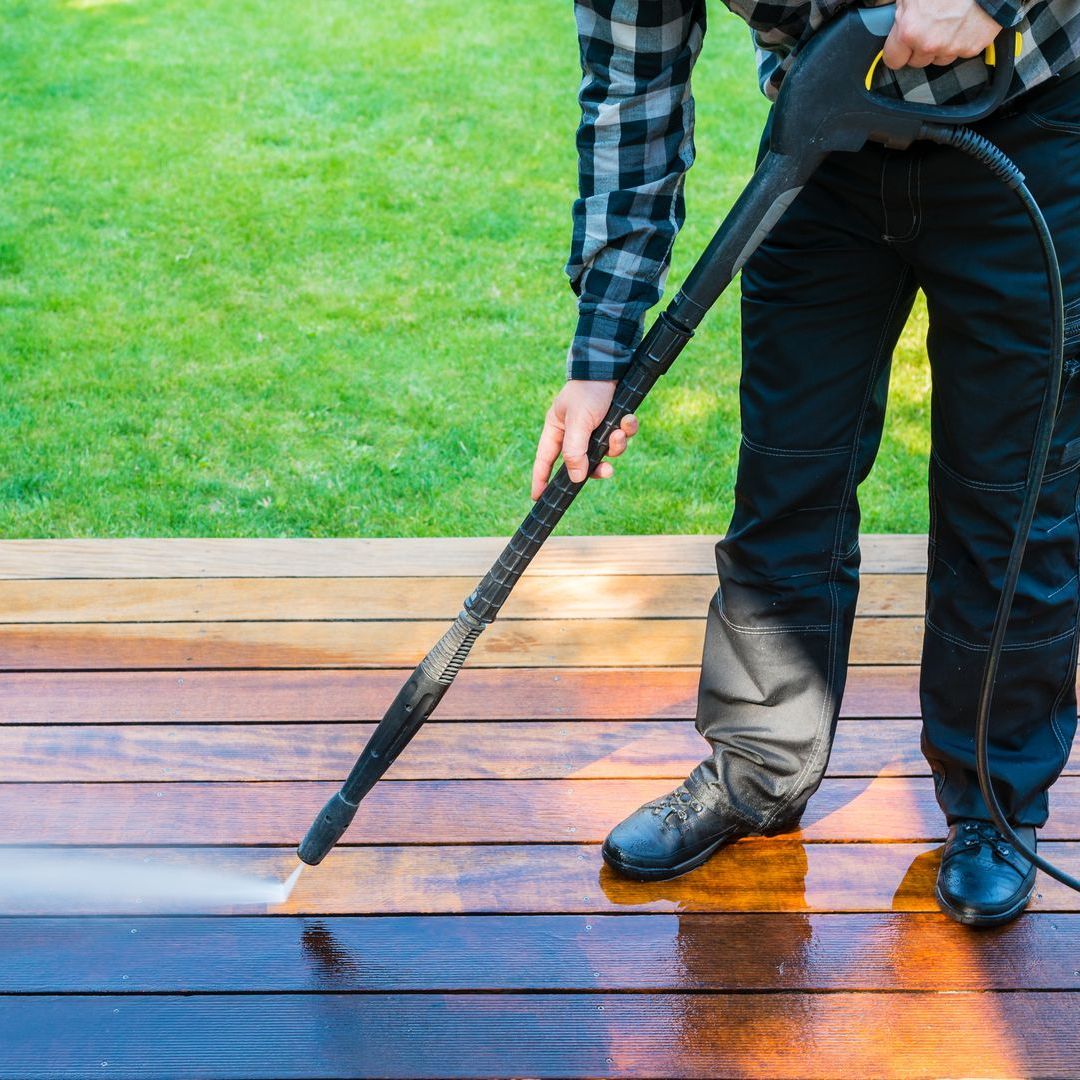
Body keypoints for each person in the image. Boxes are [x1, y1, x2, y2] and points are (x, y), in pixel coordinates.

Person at [531, 0, 1080, 927]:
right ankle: (757, 768)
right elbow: (633, 88)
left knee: (1010, 496)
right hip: (824, 140)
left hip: (1028, 123)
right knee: (789, 477)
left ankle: (995, 805)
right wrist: (600, 352)